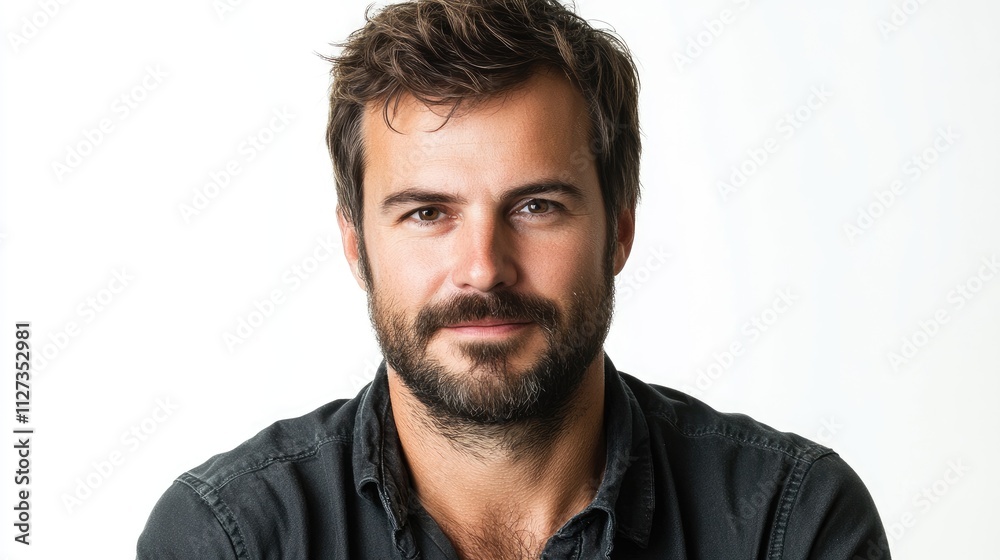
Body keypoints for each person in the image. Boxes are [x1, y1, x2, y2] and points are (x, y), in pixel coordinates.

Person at [136, 0, 891, 558]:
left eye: (536, 205)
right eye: (428, 212)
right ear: (355, 244)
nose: (482, 268)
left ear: (619, 228)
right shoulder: (229, 539)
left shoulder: (786, 526)